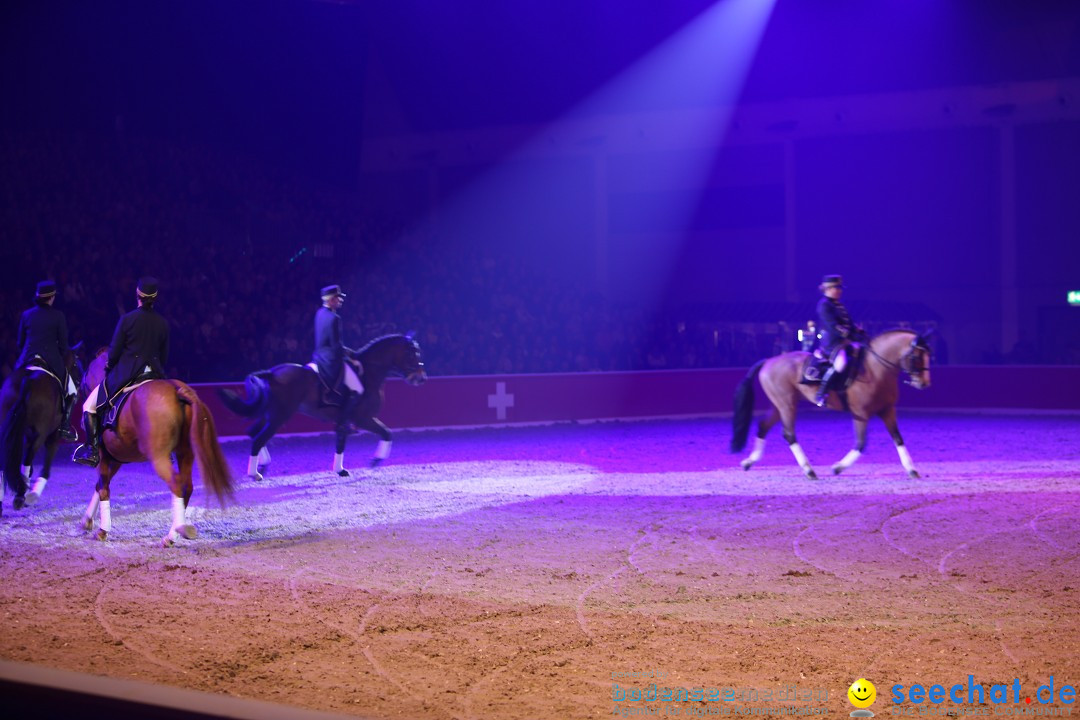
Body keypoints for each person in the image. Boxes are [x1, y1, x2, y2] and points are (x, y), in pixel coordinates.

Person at [73, 277, 169, 467]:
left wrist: (109, 368)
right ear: (155, 298)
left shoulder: (127, 319)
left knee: (89, 407)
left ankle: (92, 451)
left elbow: (114, 352)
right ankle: (169, 448)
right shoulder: (163, 323)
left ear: (137, 295)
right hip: (154, 373)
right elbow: (163, 356)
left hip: (129, 373)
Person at [15, 280, 78, 440]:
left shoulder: (26, 314)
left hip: (26, 359)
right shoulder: (58, 316)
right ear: (51, 298)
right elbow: (64, 346)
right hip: (50, 359)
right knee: (71, 390)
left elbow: (20, 343)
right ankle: (64, 426)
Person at [312, 284, 364, 434]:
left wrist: (350, 352)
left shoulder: (319, 313)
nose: (340, 300)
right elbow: (336, 346)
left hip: (318, 357)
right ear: (331, 299)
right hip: (330, 361)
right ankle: (343, 423)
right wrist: (352, 359)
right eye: (338, 298)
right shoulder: (335, 318)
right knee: (357, 389)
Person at [814, 274, 860, 407]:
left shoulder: (839, 305)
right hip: (832, 344)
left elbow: (849, 323)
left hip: (845, 342)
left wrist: (858, 332)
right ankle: (821, 393)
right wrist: (848, 333)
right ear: (827, 289)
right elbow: (832, 325)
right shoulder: (824, 305)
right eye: (837, 287)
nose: (840, 290)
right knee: (840, 364)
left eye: (840, 287)